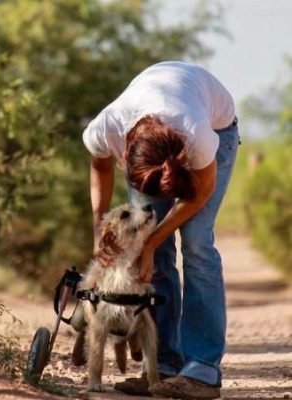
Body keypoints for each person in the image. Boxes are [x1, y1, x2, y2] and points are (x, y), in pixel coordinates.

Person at [80, 61, 239, 400]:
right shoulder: (108, 126)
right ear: (127, 155)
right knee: (148, 250)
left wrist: (153, 241)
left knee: (196, 243)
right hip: (155, 131)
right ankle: (163, 365)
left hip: (217, 126)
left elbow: (199, 196)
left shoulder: (198, 137)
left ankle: (201, 369)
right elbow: (99, 165)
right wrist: (99, 227)